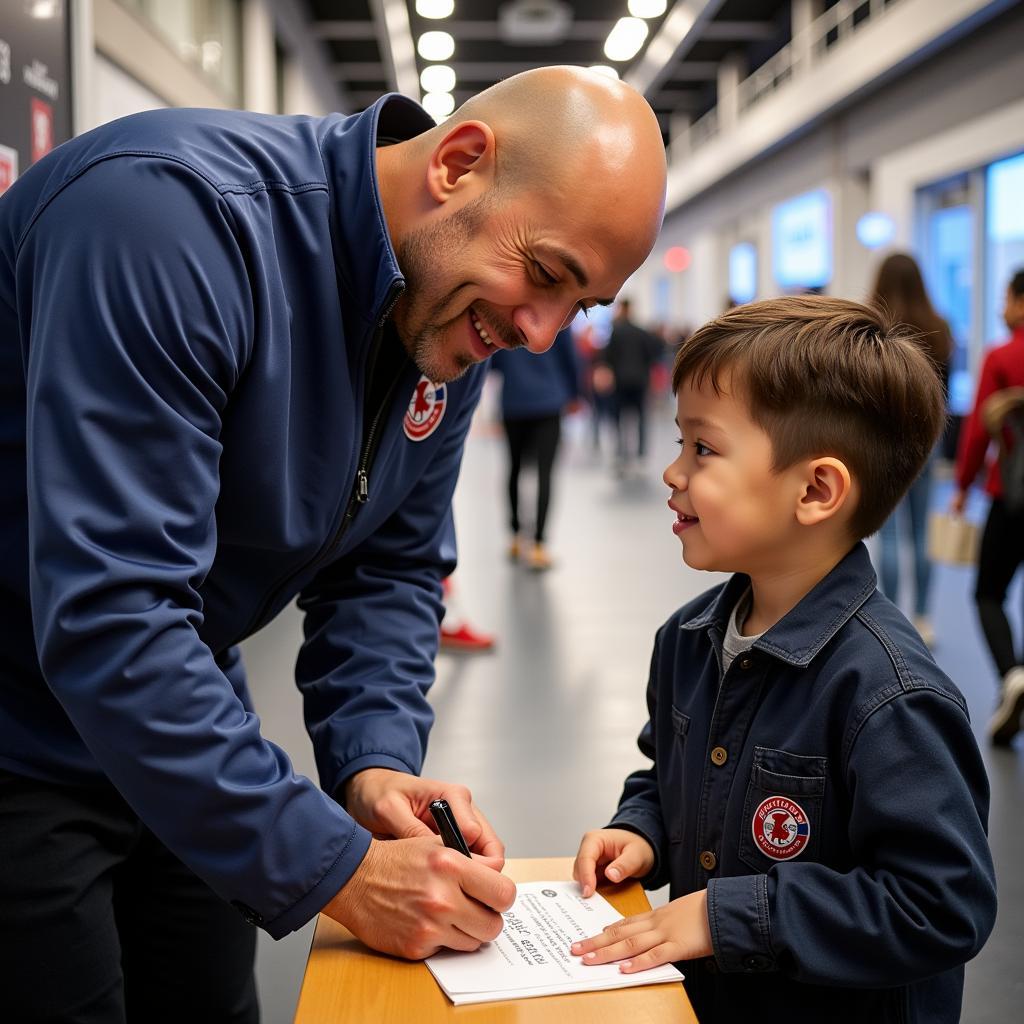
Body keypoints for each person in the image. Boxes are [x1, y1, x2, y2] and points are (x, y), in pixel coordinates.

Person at [0, 66, 667, 1022]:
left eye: (580, 306)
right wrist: (341, 869)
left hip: (184, 714)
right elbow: (114, 614)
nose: (539, 331)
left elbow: (389, 565)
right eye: (550, 275)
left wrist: (374, 764)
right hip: (19, 728)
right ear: (460, 165)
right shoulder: (168, 223)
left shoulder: (443, 310)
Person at [570, 297, 996, 1023]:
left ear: (815, 490)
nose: (672, 473)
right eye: (680, 443)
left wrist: (728, 917)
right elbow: (667, 775)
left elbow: (941, 902)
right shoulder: (687, 640)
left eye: (702, 449)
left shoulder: (888, 695)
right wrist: (640, 830)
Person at [951, 268, 1024, 745]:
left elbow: (978, 428)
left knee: (988, 592)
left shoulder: (1003, 356)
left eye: (1005, 297)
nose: (1001, 307)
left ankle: (1013, 676)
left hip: (1012, 495)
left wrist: (962, 484)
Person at [870, 253, 953, 646]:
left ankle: (887, 617)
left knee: (886, 535)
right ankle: (922, 617)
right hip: (927, 438)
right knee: (922, 533)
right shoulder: (939, 329)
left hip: (881, 438)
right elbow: (944, 393)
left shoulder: (870, 325)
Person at [491, 325, 581, 570]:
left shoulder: (508, 314)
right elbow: (570, 359)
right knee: (545, 473)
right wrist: (575, 395)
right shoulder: (559, 319)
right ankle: (540, 544)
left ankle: (517, 537)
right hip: (549, 403)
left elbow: (494, 361)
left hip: (513, 403)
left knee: (514, 468)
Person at [601, 297, 664, 472]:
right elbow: (652, 355)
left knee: (620, 418)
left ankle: (622, 453)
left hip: (621, 381)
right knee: (641, 418)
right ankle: (640, 455)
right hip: (639, 381)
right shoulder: (641, 332)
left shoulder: (616, 332)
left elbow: (608, 357)